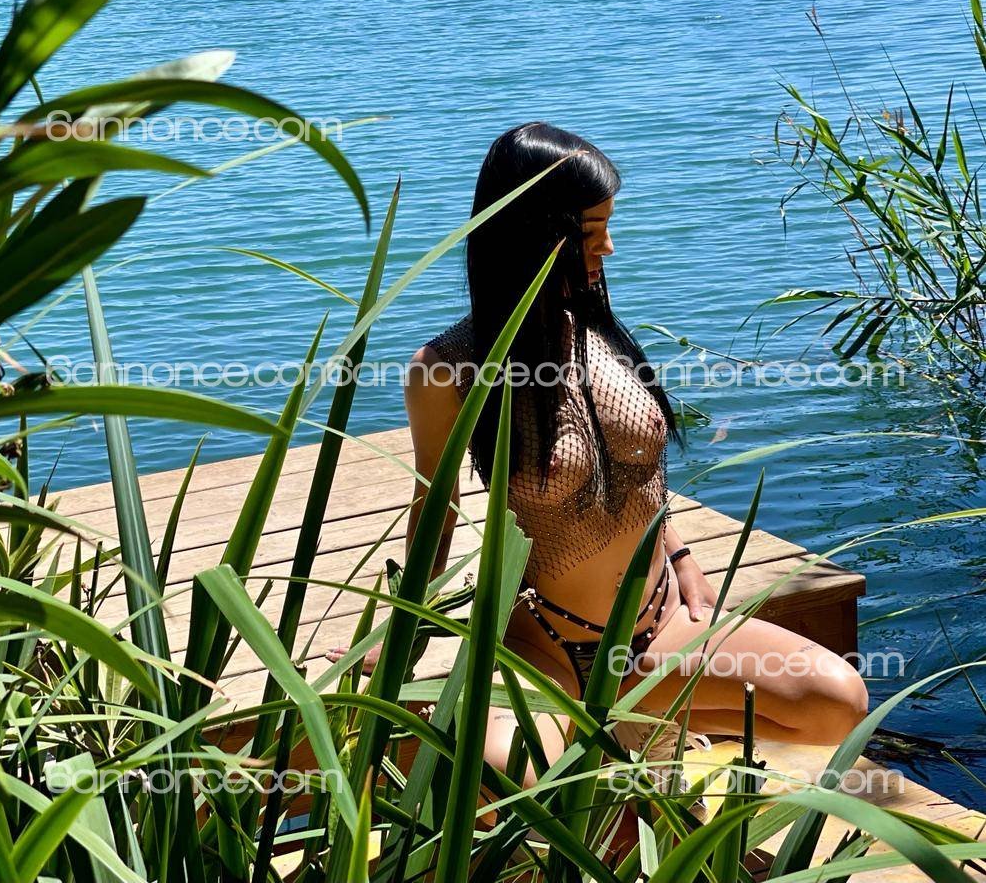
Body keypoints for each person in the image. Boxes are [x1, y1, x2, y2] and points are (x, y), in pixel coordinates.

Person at [325, 121, 868, 787]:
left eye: (608, 225)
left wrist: (682, 556)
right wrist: (397, 637)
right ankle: (622, 743)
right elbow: (433, 517)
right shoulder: (449, 370)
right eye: (590, 232)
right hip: (549, 648)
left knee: (839, 701)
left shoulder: (599, 331)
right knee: (504, 772)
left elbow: (640, 474)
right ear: (532, 233)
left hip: (660, 626)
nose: (607, 247)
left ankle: (641, 727)